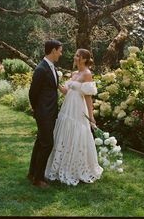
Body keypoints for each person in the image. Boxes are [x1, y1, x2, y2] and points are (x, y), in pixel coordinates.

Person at [45, 48, 103, 185]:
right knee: (64, 132)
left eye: (78, 56)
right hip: (67, 107)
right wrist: (56, 82)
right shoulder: (74, 73)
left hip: (78, 109)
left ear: (84, 59)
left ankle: (76, 168)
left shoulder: (87, 74)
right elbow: (67, 92)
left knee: (77, 133)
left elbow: (88, 98)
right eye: (76, 55)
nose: (75, 57)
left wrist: (91, 116)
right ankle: (59, 166)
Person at [28, 39, 62, 188]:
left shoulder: (51, 67)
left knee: (40, 142)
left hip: (50, 112)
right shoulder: (41, 69)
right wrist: (38, 109)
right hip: (44, 113)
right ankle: (38, 179)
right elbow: (32, 93)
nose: (61, 53)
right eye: (60, 50)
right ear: (53, 50)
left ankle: (32, 173)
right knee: (47, 144)